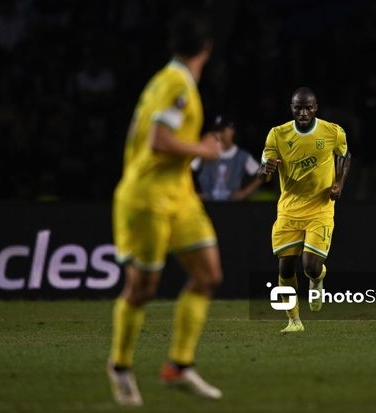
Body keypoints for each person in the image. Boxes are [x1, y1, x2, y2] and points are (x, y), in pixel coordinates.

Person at [107, 10, 223, 406]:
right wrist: (205, 150)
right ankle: (120, 367)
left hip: (179, 195)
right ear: (206, 48)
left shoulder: (172, 80)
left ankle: (179, 366)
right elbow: (158, 140)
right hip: (148, 198)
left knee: (208, 275)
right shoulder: (176, 83)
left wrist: (191, 161)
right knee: (143, 289)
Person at [259, 87, 352, 333]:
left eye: (307, 107)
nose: (302, 112)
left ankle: (317, 278)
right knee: (285, 268)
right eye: (298, 107)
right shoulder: (277, 135)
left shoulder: (332, 131)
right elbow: (263, 169)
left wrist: (339, 183)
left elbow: (344, 155)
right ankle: (294, 321)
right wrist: (265, 170)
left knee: (310, 265)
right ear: (291, 108)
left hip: (320, 208)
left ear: (315, 108)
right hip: (289, 210)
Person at [191, 115, 262, 201]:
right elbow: (185, 170)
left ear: (231, 131)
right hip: (208, 205)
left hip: (232, 207)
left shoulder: (242, 156)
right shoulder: (205, 153)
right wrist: (195, 193)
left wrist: (244, 193)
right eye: (216, 131)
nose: (218, 134)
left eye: (222, 130)